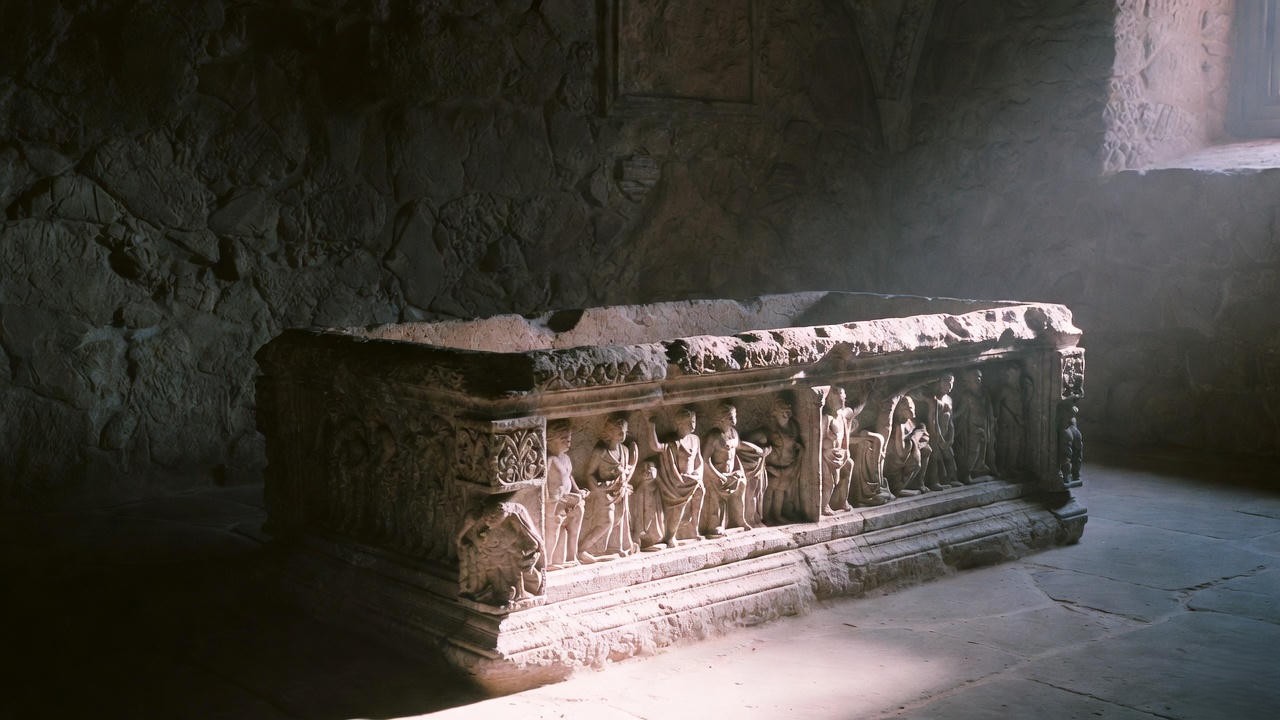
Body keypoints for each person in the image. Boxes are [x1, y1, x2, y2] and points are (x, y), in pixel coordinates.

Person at [578, 415, 639, 563]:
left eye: (624, 432)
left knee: (619, 520)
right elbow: (590, 473)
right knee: (607, 522)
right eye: (619, 432)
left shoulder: (624, 450)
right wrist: (598, 489)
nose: (622, 435)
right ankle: (582, 549)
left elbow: (627, 469)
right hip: (603, 493)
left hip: (619, 492)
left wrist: (624, 477)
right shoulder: (601, 451)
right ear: (609, 432)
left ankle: (615, 547)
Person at [644, 407, 705, 547]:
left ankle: (694, 528)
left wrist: (698, 474)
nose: (693, 425)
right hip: (676, 483)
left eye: (694, 421)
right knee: (679, 508)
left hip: (693, 479)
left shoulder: (695, 439)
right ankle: (671, 536)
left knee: (700, 495)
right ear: (679, 423)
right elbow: (656, 446)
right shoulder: (673, 441)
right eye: (689, 422)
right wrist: (651, 425)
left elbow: (699, 460)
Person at [700, 403, 756, 536]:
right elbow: (705, 459)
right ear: (722, 418)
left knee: (740, 493)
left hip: (733, 473)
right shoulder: (713, 436)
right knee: (717, 500)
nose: (734, 419)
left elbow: (740, 445)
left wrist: (757, 449)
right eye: (731, 417)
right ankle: (716, 525)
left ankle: (740, 520)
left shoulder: (733, 433)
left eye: (734, 416)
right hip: (716, 474)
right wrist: (717, 476)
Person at [543, 420, 584, 568]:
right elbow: (542, 480)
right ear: (550, 440)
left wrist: (578, 491)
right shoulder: (549, 459)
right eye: (563, 439)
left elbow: (570, 476)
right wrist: (547, 499)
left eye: (569, 439)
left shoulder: (565, 458)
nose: (568, 442)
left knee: (578, 516)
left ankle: (572, 556)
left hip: (568, 499)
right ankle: (547, 562)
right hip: (554, 501)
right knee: (553, 529)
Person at [883, 396, 932, 497]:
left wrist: (920, 434)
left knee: (927, 450)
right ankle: (898, 488)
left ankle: (919, 483)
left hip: (907, 450)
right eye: (909, 407)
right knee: (915, 461)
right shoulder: (899, 425)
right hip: (896, 459)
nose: (913, 409)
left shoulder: (908, 421)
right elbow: (901, 453)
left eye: (912, 406)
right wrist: (915, 439)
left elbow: (918, 431)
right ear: (901, 410)